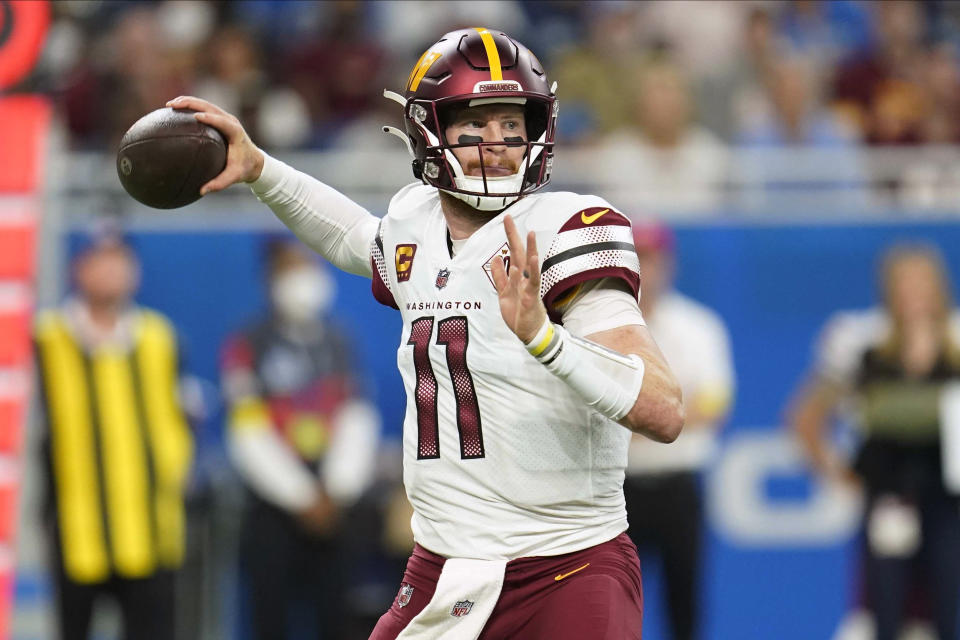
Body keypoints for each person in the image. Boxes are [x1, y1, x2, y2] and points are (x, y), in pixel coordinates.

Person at [165, 26, 683, 640]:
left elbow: (662, 409)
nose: (497, 145)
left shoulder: (567, 228)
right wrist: (260, 169)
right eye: (474, 125)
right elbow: (356, 238)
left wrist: (546, 339)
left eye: (511, 125)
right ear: (428, 131)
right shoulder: (414, 221)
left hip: (566, 563)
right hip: (444, 566)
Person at [789, 244, 960, 640]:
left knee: (946, 611)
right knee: (884, 611)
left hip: (947, 501)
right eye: (905, 284)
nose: (914, 295)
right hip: (889, 494)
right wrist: (837, 472)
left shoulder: (955, 339)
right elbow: (806, 417)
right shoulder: (862, 342)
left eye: (923, 284)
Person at [33, 231, 193, 640]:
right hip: (75, 528)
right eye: (99, 259)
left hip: (152, 526)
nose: (111, 270)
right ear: (77, 268)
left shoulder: (159, 336)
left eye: (119, 259)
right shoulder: (46, 339)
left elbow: (181, 415)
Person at [221, 238, 380, 640]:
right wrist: (300, 496)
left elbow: (357, 416)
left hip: (335, 505)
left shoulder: (339, 341)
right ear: (270, 279)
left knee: (336, 619)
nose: (304, 279)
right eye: (291, 269)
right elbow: (247, 430)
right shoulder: (248, 345)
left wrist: (337, 489)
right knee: (270, 620)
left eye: (308, 266)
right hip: (275, 508)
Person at [623, 223, 734, 640]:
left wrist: (631, 415)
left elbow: (712, 405)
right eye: (637, 257)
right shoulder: (592, 323)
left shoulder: (699, 327)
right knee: (612, 602)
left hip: (677, 486)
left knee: (683, 604)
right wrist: (666, 410)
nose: (646, 269)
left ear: (669, 264)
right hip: (616, 487)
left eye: (652, 258)